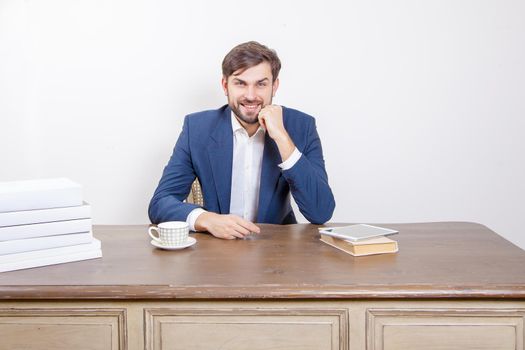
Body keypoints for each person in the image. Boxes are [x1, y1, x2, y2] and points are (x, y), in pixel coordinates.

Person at [149, 41, 335, 240]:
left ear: (275, 86)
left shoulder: (301, 126)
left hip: (278, 251)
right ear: (225, 85)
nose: (251, 95)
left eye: (261, 84)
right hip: (216, 249)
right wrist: (207, 219)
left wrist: (282, 137)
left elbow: (321, 211)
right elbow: (160, 203)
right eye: (240, 83)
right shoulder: (197, 128)